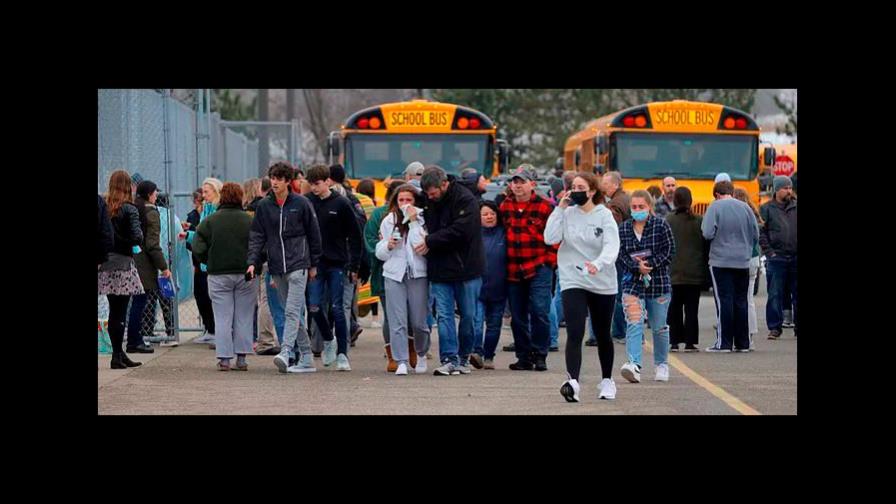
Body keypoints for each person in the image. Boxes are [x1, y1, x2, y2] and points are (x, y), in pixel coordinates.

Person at [545, 172, 620, 401]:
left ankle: (607, 380)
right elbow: (550, 237)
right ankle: (573, 382)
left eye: (580, 187)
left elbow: (611, 246)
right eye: (572, 186)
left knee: (602, 333)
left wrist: (598, 264)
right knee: (575, 331)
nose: (575, 190)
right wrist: (559, 209)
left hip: (602, 281)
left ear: (592, 191)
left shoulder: (604, 215)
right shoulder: (566, 213)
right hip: (572, 278)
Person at [247, 162, 322, 373]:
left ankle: (287, 351)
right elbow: (257, 236)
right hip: (276, 266)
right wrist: (252, 262)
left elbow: (314, 234)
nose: (275, 182)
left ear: (288, 181)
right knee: (292, 313)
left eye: (279, 179)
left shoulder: (301, 203)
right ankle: (306, 356)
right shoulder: (264, 206)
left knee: (291, 310)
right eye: (273, 178)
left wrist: (314, 263)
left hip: (299, 264)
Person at [418, 165, 485, 376]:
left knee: (468, 315)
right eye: (427, 194)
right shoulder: (427, 200)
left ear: (444, 184)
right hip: (439, 267)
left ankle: (464, 357)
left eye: (433, 193)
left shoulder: (465, 199)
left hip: (466, 267)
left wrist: (430, 240)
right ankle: (449, 358)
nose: (430, 197)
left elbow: (461, 231)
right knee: (444, 315)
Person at [192, 183, 257, 371]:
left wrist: (208, 259)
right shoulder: (249, 220)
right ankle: (242, 357)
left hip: (218, 273)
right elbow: (260, 244)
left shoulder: (210, 221)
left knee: (222, 317)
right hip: (246, 274)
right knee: (244, 315)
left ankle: (224, 358)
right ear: (240, 197)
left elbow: (198, 245)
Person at [499, 164, 557, 372]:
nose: (518, 185)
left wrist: (549, 262)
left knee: (540, 311)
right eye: (515, 182)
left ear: (532, 184)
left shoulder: (545, 206)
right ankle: (523, 356)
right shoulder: (505, 206)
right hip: (514, 267)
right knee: (518, 315)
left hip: (539, 266)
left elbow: (555, 237)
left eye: (522, 182)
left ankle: (540, 354)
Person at [306, 164, 364, 371]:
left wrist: (354, 265)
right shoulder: (308, 202)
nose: (314, 188)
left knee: (338, 308)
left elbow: (356, 236)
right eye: (311, 184)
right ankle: (328, 340)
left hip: (338, 263)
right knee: (314, 306)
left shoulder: (341, 203)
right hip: (315, 264)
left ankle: (342, 354)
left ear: (328, 181)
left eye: (317, 184)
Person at [617, 190, 676, 383]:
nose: (637, 210)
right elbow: (620, 254)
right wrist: (636, 267)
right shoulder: (624, 228)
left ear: (649, 207)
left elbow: (669, 251)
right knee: (634, 322)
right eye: (634, 207)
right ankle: (634, 364)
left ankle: (662, 364)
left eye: (641, 207)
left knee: (659, 327)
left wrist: (650, 265)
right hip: (632, 282)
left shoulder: (661, 225)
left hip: (658, 282)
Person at [375, 184, 431, 375]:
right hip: (394, 274)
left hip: (418, 273)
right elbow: (380, 252)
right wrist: (388, 246)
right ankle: (401, 360)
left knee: (419, 321)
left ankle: (422, 352)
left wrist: (414, 222)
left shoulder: (423, 219)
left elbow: (420, 246)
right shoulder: (389, 220)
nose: (405, 204)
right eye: (401, 200)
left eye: (409, 200)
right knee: (397, 320)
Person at [702, 180, 759, 353]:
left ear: (717, 194)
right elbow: (755, 233)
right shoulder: (746, 208)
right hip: (742, 260)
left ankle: (724, 343)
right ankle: (743, 342)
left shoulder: (715, 207)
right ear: (732, 192)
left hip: (720, 261)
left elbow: (707, 232)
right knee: (741, 301)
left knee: (724, 300)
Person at [98, 170, 146, 369]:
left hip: (106, 263)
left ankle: (118, 353)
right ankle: (117, 356)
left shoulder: (104, 205)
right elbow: (137, 237)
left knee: (112, 310)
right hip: (124, 264)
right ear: (128, 186)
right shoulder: (129, 208)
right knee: (121, 311)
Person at [365, 180, 406, 371]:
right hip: (385, 273)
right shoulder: (380, 215)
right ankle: (393, 355)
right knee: (391, 316)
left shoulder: (415, 214)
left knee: (407, 315)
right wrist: (384, 248)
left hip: (411, 273)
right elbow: (371, 242)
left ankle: (408, 350)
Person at [129, 180, 172, 354]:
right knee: (140, 303)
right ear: (149, 194)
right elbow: (153, 245)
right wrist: (164, 267)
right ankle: (135, 341)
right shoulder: (151, 213)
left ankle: (133, 339)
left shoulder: (133, 208)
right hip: (145, 265)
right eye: (154, 192)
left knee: (133, 304)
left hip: (131, 261)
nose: (156, 195)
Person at [181, 179, 223, 346]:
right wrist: (189, 235)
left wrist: (193, 235)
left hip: (216, 262)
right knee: (204, 296)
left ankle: (219, 333)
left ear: (216, 191)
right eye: (203, 192)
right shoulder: (207, 209)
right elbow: (202, 234)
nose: (204, 195)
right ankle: (212, 330)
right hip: (204, 261)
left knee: (216, 300)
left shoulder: (218, 210)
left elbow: (212, 235)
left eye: (207, 192)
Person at [666, 187, 708, 352]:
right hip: (694, 272)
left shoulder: (669, 220)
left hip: (674, 271)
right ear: (690, 200)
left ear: (675, 201)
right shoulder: (698, 220)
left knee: (674, 307)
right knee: (692, 309)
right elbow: (705, 245)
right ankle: (690, 342)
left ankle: (674, 341)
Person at [759, 175, 798, 340]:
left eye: (790, 188)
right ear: (777, 190)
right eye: (785, 188)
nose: (789, 191)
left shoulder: (796, 207)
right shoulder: (766, 209)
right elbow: (761, 233)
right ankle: (775, 327)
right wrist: (770, 253)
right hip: (777, 258)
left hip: (795, 258)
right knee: (775, 293)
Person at [473, 200, 507, 370]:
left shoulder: (504, 233)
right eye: (485, 214)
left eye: (492, 213)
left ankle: (489, 356)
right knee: (476, 323)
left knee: (494, 325)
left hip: (499, 288)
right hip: (477, 288)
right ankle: (476, 353)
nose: (489, 217)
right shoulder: (473, 235)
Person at [601, 171, 630, 344]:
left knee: (619, 293)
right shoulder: (625, 198)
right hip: (627, 252)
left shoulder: (615, 205)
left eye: (606, 183)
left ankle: (619, 331)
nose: (603, 186)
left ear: (615, 185)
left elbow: (613, 230)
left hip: (619, 253)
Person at [734, 188, 762, 347]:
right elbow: (756, 236)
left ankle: (741, 334)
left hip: (741, 259)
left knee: (739, 299)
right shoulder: (753, 213)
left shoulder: (738, 215)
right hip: (754, 257)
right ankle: (750, 334)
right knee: (749, 299)